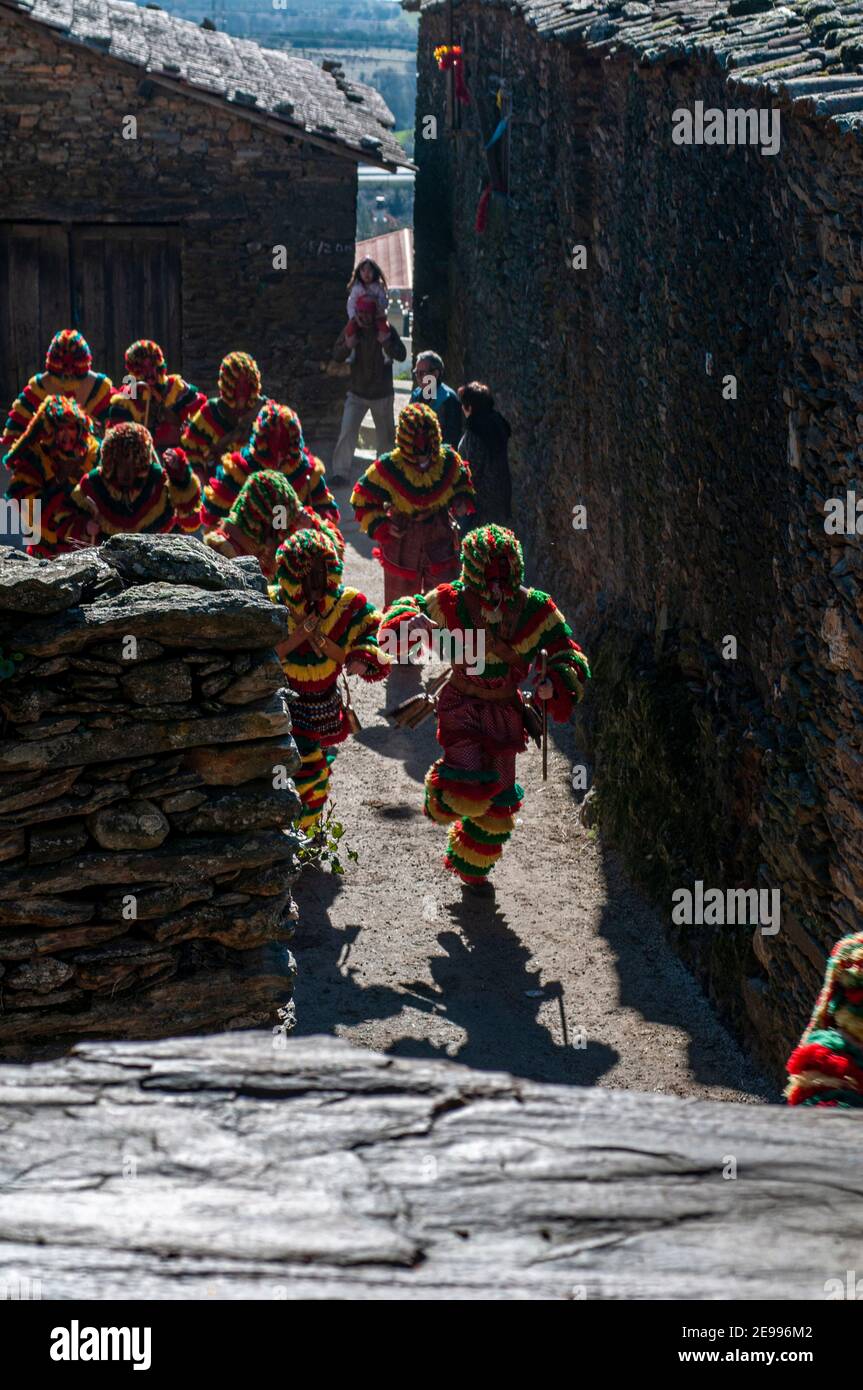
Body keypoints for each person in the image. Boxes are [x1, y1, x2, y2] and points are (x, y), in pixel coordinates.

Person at [379, 524, 590, 892]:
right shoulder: (451, 601)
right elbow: (398, 617)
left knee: (499, 803)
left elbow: (567, 653)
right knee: (466, 788)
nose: (496, 582)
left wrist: (550, 682)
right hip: (461, 704)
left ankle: (471, 866)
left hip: (506, 712)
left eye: (503, 571)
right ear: (474, 570)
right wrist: (411, 625)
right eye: (489, 572)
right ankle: (441, 793)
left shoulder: (534, 607)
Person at [274, 529, 389, 830]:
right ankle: (302, 828)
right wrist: (299, 635)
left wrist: (362, 657)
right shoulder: (273, 604)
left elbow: (374, 634)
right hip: (287, 704)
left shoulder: (346, 606)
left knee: (317, 762)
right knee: (306, 765)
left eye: (321, 574)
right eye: (306, 576)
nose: (315, 583)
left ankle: (305, 826)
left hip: (325, 703)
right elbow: (259, 649)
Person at [350, 401, 475, 608]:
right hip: (403, 540)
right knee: (400, 607)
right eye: (416, 451)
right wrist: (384, 526)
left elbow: (463, 484)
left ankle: (444, 639)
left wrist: (461, 500)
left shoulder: (449, 462)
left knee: (446, 601)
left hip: (440, 537)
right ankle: (401, 638)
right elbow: (362, 499)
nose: (422, 456)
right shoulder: (388, 467)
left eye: (427, 450)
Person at [201, 402, 337, 532]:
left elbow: (329, 514)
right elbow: (213, 516)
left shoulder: (307, 472)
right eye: (273, 444)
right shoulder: (239, 469)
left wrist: (311, 523)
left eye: (284, 446)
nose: (278, 458)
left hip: (295, 549)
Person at [68, 423, 202, 541]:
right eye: (120, 463)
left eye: (133, 464)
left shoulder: (157, 481)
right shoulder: (93, 484)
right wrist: (85, 528)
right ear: (110, 462)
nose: (126, 473)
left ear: (142, 464)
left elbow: (190, 516)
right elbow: (67, 522)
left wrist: (179, 473)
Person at [203, 469, 344, 579]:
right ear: (261, 518)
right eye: (281, 520)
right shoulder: (222, 549)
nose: (284, 529)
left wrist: (312, 527)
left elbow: (334, 559)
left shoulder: (280, 534)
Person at [4, 394, 100, 556]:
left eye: (71, 427)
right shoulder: (34, 458)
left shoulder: (94, 453)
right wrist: (59, 487)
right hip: (46, 546)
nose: (66, 434)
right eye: (60, 429)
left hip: (86, 543)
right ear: (49, 431)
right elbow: (27, 503)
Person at [329, 298, 407, 487]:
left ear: (373, 315)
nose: (363, 317)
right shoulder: (352, 330)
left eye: (367, 313)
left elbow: (402, 354)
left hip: (382, 394)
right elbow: (337, 355)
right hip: (357, 393)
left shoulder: (386, 331)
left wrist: (386, 342)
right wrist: (348, 344)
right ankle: (340, 472)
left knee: (385, 438)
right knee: (347, 431)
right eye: (360, 313)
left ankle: (384, 474)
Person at [1, 330, 113, 457]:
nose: (68, 373)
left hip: (88, 455)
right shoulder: (40, 387)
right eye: (64, 367)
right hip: (48, 458)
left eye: (73, 368)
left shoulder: (98, 387)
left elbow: (117, 425)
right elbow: (15, 432)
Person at [786, 930, 863, 1107]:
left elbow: (822, 1014)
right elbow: (823, 1012)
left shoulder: (849, 949)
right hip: (843, 1068)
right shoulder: (850, 951)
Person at [107, 340, 205, 456]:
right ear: (133, 371)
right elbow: (117, 439)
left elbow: (201, 419)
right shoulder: (127, 396)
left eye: (152, 365)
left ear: (159, 364)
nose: (149, 373)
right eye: (142, 367)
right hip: (142, 461)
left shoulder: (177, 388)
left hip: (178, 456)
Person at [179, 351, 265, 473]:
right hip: (218, 484)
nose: (241, 388)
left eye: (245, 383)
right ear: (227, 383)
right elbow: (191, 448)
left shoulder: (264, 412)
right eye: (236, 382)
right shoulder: (212, 411)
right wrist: (200, 478)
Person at [457, 381, 513, 525]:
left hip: (479, 504)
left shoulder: (476, 431)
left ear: (469, 407)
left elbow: (472, 469)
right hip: (501, 496)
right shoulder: (497, 423)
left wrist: (462, 498)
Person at [409, 351, 463, 448]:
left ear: (435, 374)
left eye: (422, 373)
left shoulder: (448, 398)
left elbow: (452, 437)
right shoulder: (416, 395)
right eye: (416, 373)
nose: (418, 377)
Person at [346, 258, 390, 344]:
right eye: (363, 270)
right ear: (359, 273)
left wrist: (376, 301)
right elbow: (350, 304)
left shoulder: (378, 288)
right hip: (359, 317)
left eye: (369, 270)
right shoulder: (356, 289)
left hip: (376, 316)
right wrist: (354, 318)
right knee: (350, 330)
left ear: (375, 272)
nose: (366, 273)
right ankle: (351, 352)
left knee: (385, 330)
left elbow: (385, 302)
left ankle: (386, 353)